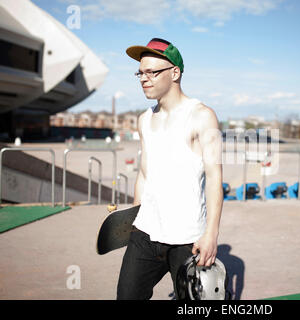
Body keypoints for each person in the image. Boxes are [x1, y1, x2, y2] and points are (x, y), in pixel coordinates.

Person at [117, 38, 224, 300]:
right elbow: (144, 174)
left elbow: (214, 178)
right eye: (140, 73)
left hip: (188, 239)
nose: (144, 78)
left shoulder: (201, 115)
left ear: (174, 73)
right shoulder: (144, 119)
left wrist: (211, 233)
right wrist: (133, 220)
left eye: (152, 72)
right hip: (145, 234)